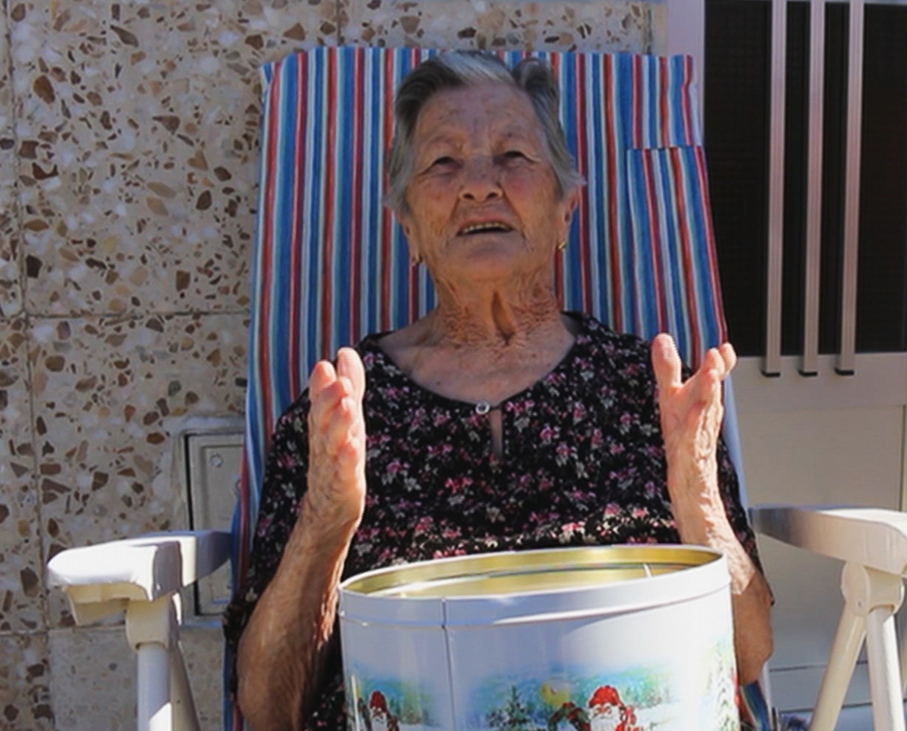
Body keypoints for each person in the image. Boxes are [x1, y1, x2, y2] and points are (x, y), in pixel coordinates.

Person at [223, 51, 773, 731]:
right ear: (407, 225)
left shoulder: (651, 393)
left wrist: (694, 494)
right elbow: (267, 707)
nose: (480, 184)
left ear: (566, 208)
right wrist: (326, 520)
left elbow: (748, 653)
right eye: (443, 163)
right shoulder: (344, 411)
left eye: (512, 155)